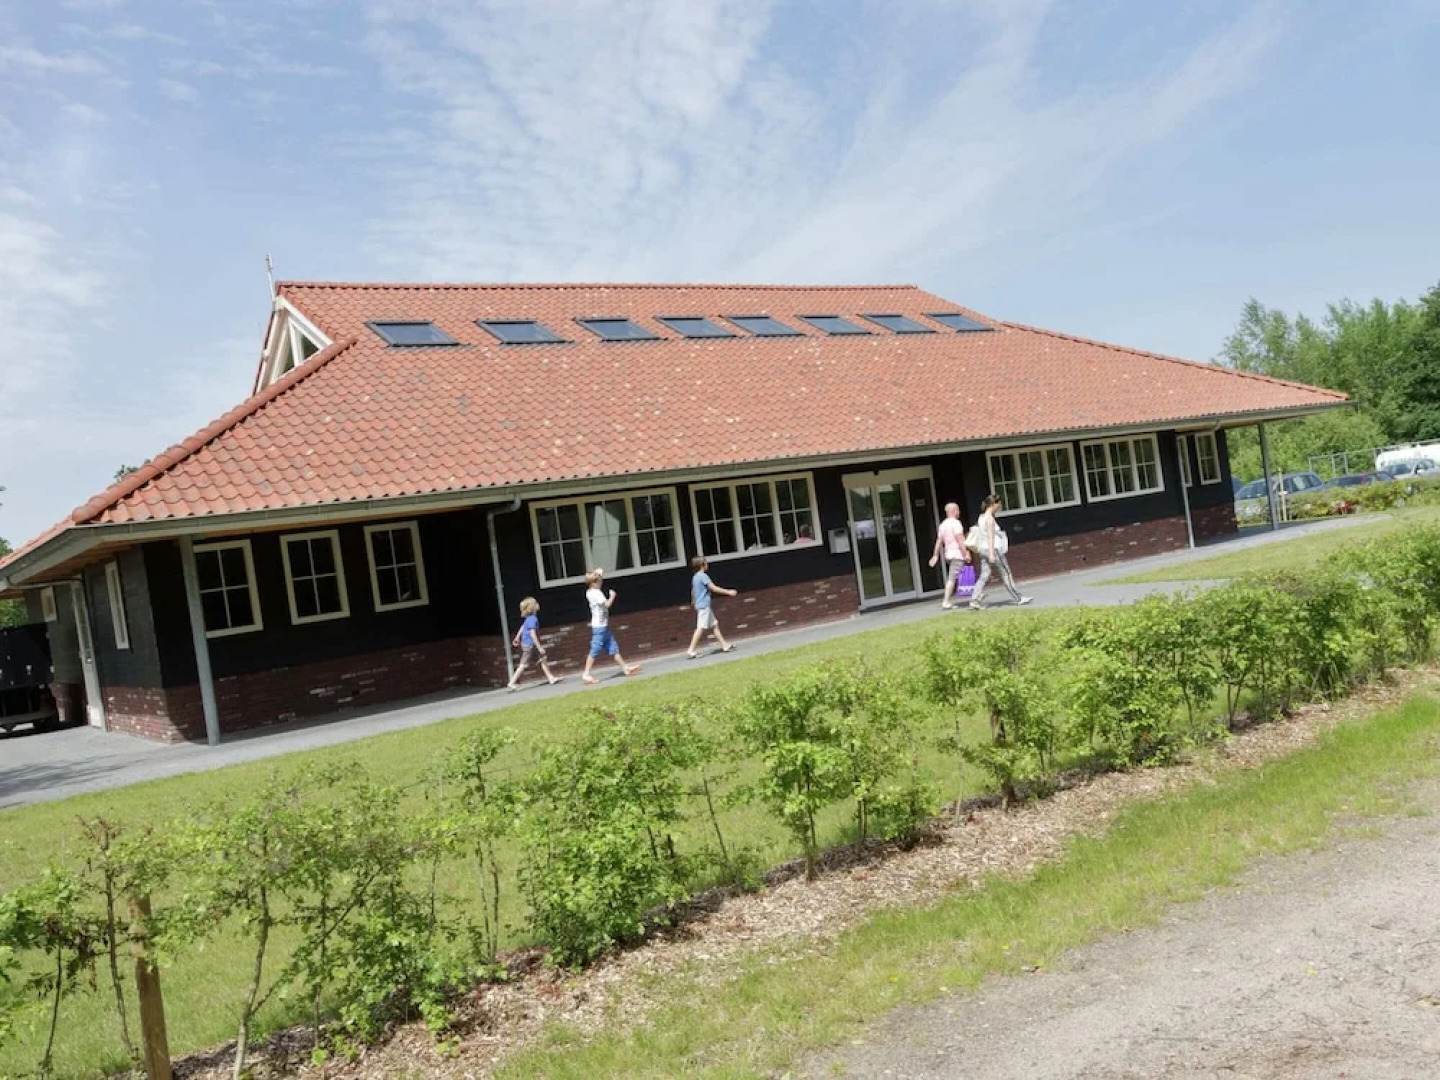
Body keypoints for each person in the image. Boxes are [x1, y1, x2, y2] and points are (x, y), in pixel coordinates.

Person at [969, 494, 1033, 610]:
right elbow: (990, 537)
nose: (999, 507)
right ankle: (1019, 598)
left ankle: (974, 600)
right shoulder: (989, 519)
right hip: (994, 549)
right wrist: (992, 554)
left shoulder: (981, 517)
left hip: (983, 549)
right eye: (998, 504)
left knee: (984, 575)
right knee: (1006, 574)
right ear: (994, 504)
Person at [581, 568, 641, 684]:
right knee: (595, 649)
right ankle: (586, 673)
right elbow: (607, 605)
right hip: (599, 627)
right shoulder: (596, 593)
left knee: (613, 647)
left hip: (603, 625)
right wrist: (612, 596)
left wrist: (599, 572)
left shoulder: (590, 591)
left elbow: (597, 575)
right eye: (600, 581)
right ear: (594, 582)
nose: (601, 582)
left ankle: (625, 668)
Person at [687, 556, 738, 658]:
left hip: (701, 605)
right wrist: (728, 592)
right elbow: (713, 588)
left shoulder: (695, 577)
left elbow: (693, 590)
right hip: (704, 605)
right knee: (701, 627)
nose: (707, 564)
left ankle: (725, 645)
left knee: (714, 625)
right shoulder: (703, 576)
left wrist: (693, 601)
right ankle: (691, 650)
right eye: (706, 562)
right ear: (702, 565)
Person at [507, 596, 562, 691]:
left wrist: (517, 637)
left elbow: (523, 627)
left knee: (542, 659)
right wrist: (539, 647)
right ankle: (511, 682)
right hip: (530, 645)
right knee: (523, 664)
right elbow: (532, 634)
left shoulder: (529, 618)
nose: (538, 604)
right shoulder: (533, 619)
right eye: (536, 603)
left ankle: (550, 677)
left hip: (528, 644)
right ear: (532, 607)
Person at [927, 501, 971, 609]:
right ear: (954, 511)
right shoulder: (956, 523)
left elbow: (939, 541)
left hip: (949, 555)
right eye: (958, 510)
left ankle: (974, 594)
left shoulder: (943, 525)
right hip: (957, 554)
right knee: (952, 578)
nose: (959, 512)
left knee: (958, 575)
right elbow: (960, 540)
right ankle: (946, 601)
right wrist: (966, 553)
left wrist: (935, 555)